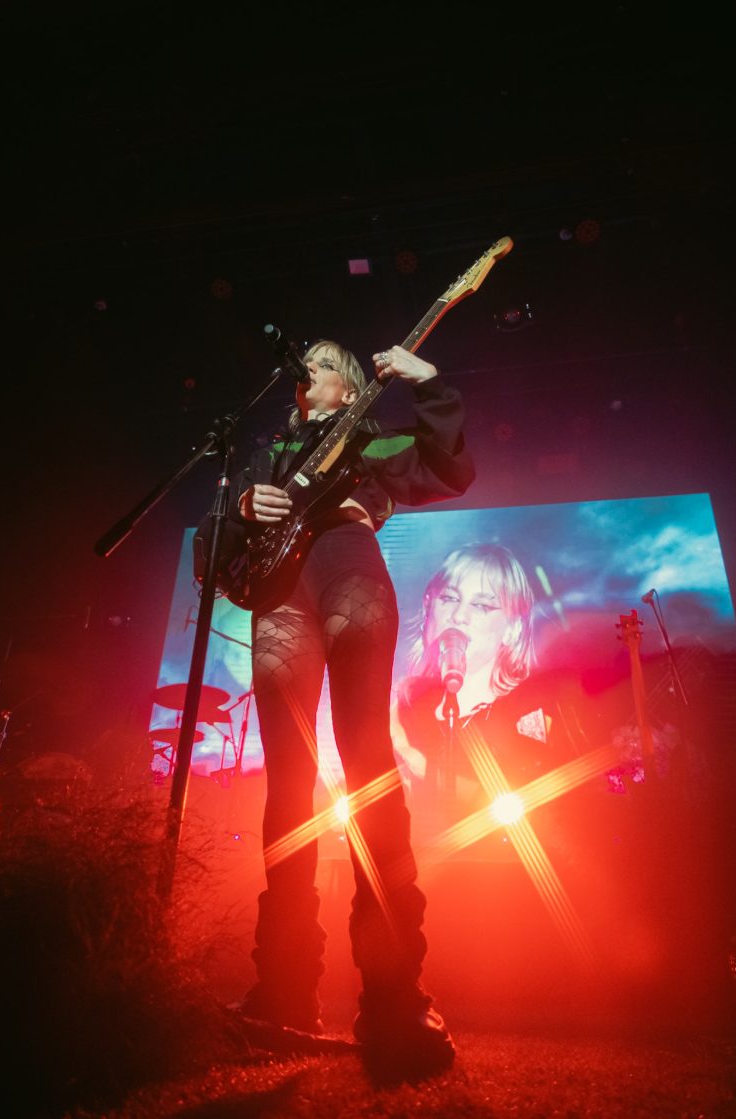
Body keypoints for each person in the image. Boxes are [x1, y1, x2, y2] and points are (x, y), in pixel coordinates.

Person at [194, 339, 474, 1072]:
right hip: (278, 593)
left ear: (349, 389)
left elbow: (448, 466)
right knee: (286, 784)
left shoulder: (368, 435)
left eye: (321, 362)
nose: (306, 371)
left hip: (348, 567)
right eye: (304, 363)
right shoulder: (263, 455)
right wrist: (245, 506)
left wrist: (431, 385)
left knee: (367, 761)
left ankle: (393, 995)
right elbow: (213, 557)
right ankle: (281, 989)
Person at [391, 542, 592, 854]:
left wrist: (414, 761)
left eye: (482, 606)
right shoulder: (404, 707)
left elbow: (533, 809)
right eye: (449, 598)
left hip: (504, 884)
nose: (458, 616)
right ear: (429, 607)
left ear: (512, 628)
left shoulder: (532, 708)